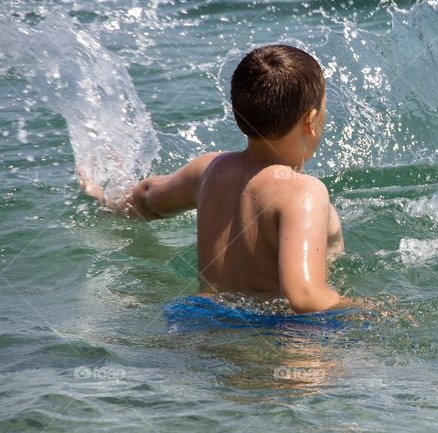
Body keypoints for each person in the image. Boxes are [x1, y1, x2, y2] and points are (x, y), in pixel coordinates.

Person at [79, 44, 346, 313]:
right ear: (310, 120)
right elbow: (304, 294)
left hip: (200, 319)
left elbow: (146, 199)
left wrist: (105, 200)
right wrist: (375, 309)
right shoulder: (304, 193)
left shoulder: (209, 169)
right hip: (271, 333)